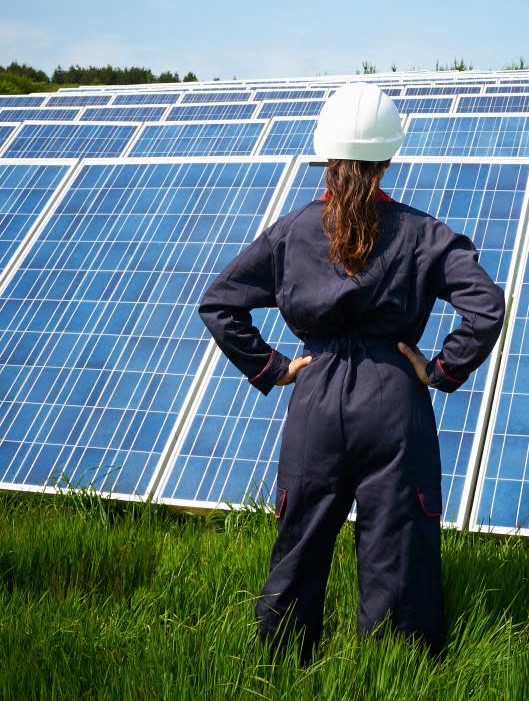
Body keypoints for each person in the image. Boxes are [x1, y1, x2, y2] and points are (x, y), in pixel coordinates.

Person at [198, 81, 506, 664]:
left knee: (301, 539)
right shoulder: (423, 232)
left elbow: (219, 303)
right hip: (394, 398)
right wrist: (438, 367)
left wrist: (275, 367)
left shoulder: (290, 231)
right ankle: (398, 667)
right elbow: (487, 306)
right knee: (398, 543)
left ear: (326, 155)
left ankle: (282, 663)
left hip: (314, 396)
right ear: (389, 158)